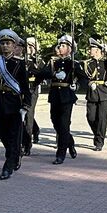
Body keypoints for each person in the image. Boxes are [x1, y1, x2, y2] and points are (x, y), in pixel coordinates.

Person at [0, 29, 31, 179]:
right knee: (1, 131)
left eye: (8, 43)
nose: (5, 46)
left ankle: (8, 166)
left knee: (14, 135)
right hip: (1, 102)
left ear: (14, 46)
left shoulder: (20, 64)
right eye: (3, 43)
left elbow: (25, 87)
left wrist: (26, 104)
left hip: (14, 103)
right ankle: (13, 153)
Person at [34, 35, 79, 165]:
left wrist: (76, 85)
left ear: (70, 49)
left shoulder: (74, 63)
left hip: (67, 97)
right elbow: (41, 74)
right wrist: (53, 74)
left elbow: (83, 78)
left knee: (64, 125)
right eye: (60, 45)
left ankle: (60, 154)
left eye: (63, 46)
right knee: (55, 122)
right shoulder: (53, 62)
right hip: (54, 96)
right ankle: (69, 143)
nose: (60, 47)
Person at [80, 38, 107, 151]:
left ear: (98, 50)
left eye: (92, 48)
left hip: (104, 92)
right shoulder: (87, 64)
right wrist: (88, 83)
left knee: (102, 118)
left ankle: (99, 141)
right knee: (91, 117)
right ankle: (97, 133)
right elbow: (83, 78)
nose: (90, 50)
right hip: (92, 93)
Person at [23, 37, 44, 155]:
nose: (29, 48)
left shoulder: (38, 61)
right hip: (22, 89)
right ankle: (35, 130)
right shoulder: (22, 59)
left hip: (32, 89)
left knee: (29, 113)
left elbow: (44, 74)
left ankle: (27, 144)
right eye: (28, 45)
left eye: (32, 46)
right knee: (24, 113)